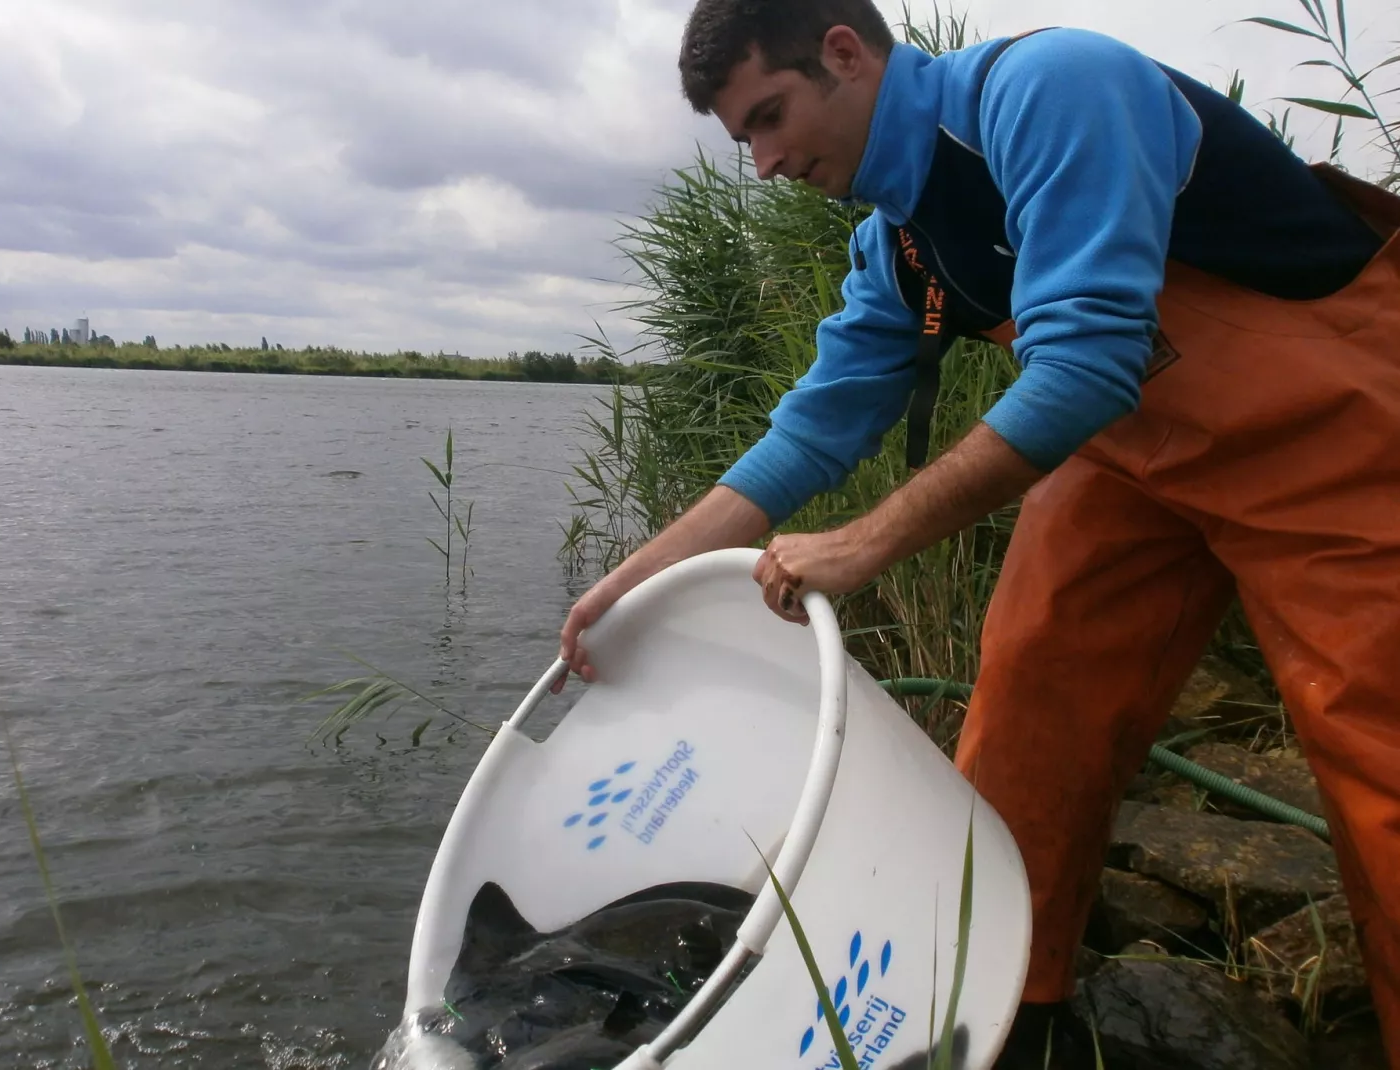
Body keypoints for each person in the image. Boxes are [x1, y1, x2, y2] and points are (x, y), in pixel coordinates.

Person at [551, 1, 1400, 1066]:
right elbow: (810, 431)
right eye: (742, 141)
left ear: (845, 53)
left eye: (769, 115)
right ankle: (1008, 1010)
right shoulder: (898, 243)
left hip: (1339, 426)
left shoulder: (1050, 91)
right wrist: (633, 583)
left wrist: (863, 543)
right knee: (1031, 686)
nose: (763, 162)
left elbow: (1087, 365)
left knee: (1379, 745)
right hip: (1139, 456)